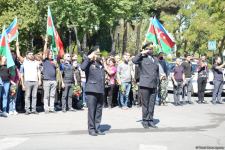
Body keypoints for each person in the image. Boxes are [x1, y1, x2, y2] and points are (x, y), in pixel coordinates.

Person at [132, 42, 159, 129]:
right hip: (145, 85)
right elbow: (133, 60)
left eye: (151, 49)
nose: (151, 50)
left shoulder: (155, 59)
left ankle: (150, 120)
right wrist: (141, 53)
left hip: (154, 84)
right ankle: (145, 120)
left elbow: (156, 72)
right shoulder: (142, 58)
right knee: (145, 104)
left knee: (152, 104)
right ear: (145, 49)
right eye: (149, 49)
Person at [80, 46, 106, 136]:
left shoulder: (100, 63)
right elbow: (82, 67)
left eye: (99, 53)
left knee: (99, 110)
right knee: (92, 110)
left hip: (100, 89)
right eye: (97, 53)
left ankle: (97, 128)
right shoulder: (88, 62)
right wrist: (89, 57)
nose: (99, 54)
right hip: (91, 90)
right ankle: (91, 129)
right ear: (92, 53)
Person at [42, 36, 57, 113]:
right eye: (50, 54)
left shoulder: (54, 61)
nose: (51, 55)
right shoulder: (45, 60)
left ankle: (52, 108)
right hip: (47, 80)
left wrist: (55, 64)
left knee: (52, 95)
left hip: (53, 80)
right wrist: (45, 42)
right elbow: (44, 52)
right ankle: (46, 108)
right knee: (46, 96)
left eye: (52, 54)